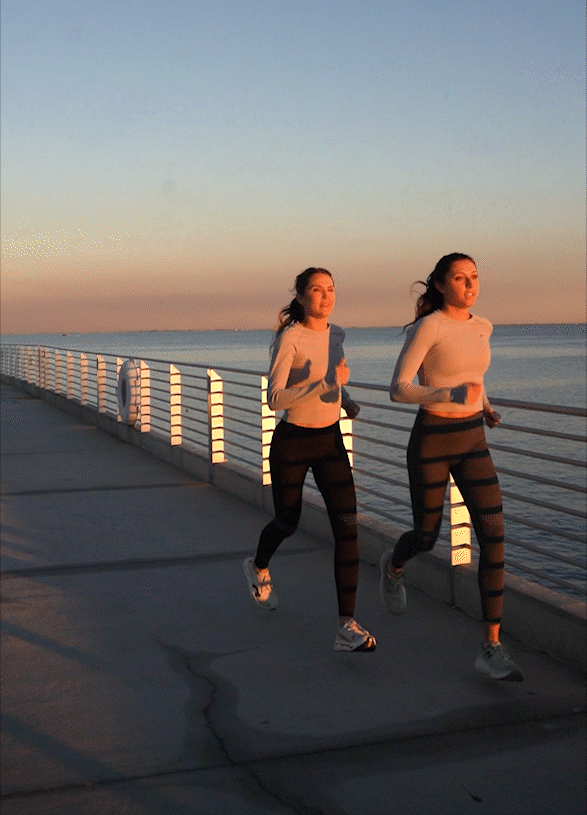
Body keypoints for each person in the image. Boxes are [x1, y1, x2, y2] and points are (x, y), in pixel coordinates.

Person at [380, 253, 523, 681]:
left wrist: (485, 406)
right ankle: (394, 565)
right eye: (459, 278)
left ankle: (491, 646)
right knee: (427, 536)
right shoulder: (430, 326)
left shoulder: (483, 327)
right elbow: (398, 389)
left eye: (474, 276)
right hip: (433, 441)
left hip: (473, 440)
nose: (470, 284)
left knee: (494, 536)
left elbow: (474, 375)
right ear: (441, 285)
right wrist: (448, 395)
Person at [243, 268, 376, 652]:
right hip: (293, 442)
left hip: (330, 441)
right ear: (301, 297)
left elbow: (334, 377)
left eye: (330, 289)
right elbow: (275, 398)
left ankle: (346, 626)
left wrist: (345, 400)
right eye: (317, 290)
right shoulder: (291, 338)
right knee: (288, 520)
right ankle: (258, 566)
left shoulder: (337, 335)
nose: (325, 296)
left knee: (347, 528)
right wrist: (325, 385)